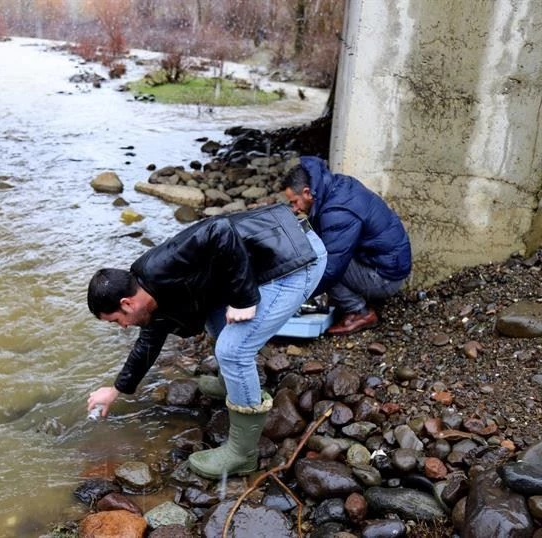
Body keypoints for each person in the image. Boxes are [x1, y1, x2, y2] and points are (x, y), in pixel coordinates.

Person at [86, 204, 327, 479]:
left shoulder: (161, 265)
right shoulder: (147, 295)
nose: (123, 327)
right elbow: (149, 342)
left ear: (127, 303)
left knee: (233, 351)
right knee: (215, 320)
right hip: (265, 259)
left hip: (295, 257)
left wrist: (244, 300)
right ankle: (230, 385)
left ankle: (242, 454)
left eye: (117, 320)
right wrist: (116, 389)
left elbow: (220, 229)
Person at [280, 156, 412, 335]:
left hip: (385, 278)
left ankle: (359, 312)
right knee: (319, 256)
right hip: (384, 262)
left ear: (307, 192)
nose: (295, 209)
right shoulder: (335, 186)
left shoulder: (338, 211)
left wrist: (296, 297)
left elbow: (331, 269)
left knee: (320, 265)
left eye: (294, 202)